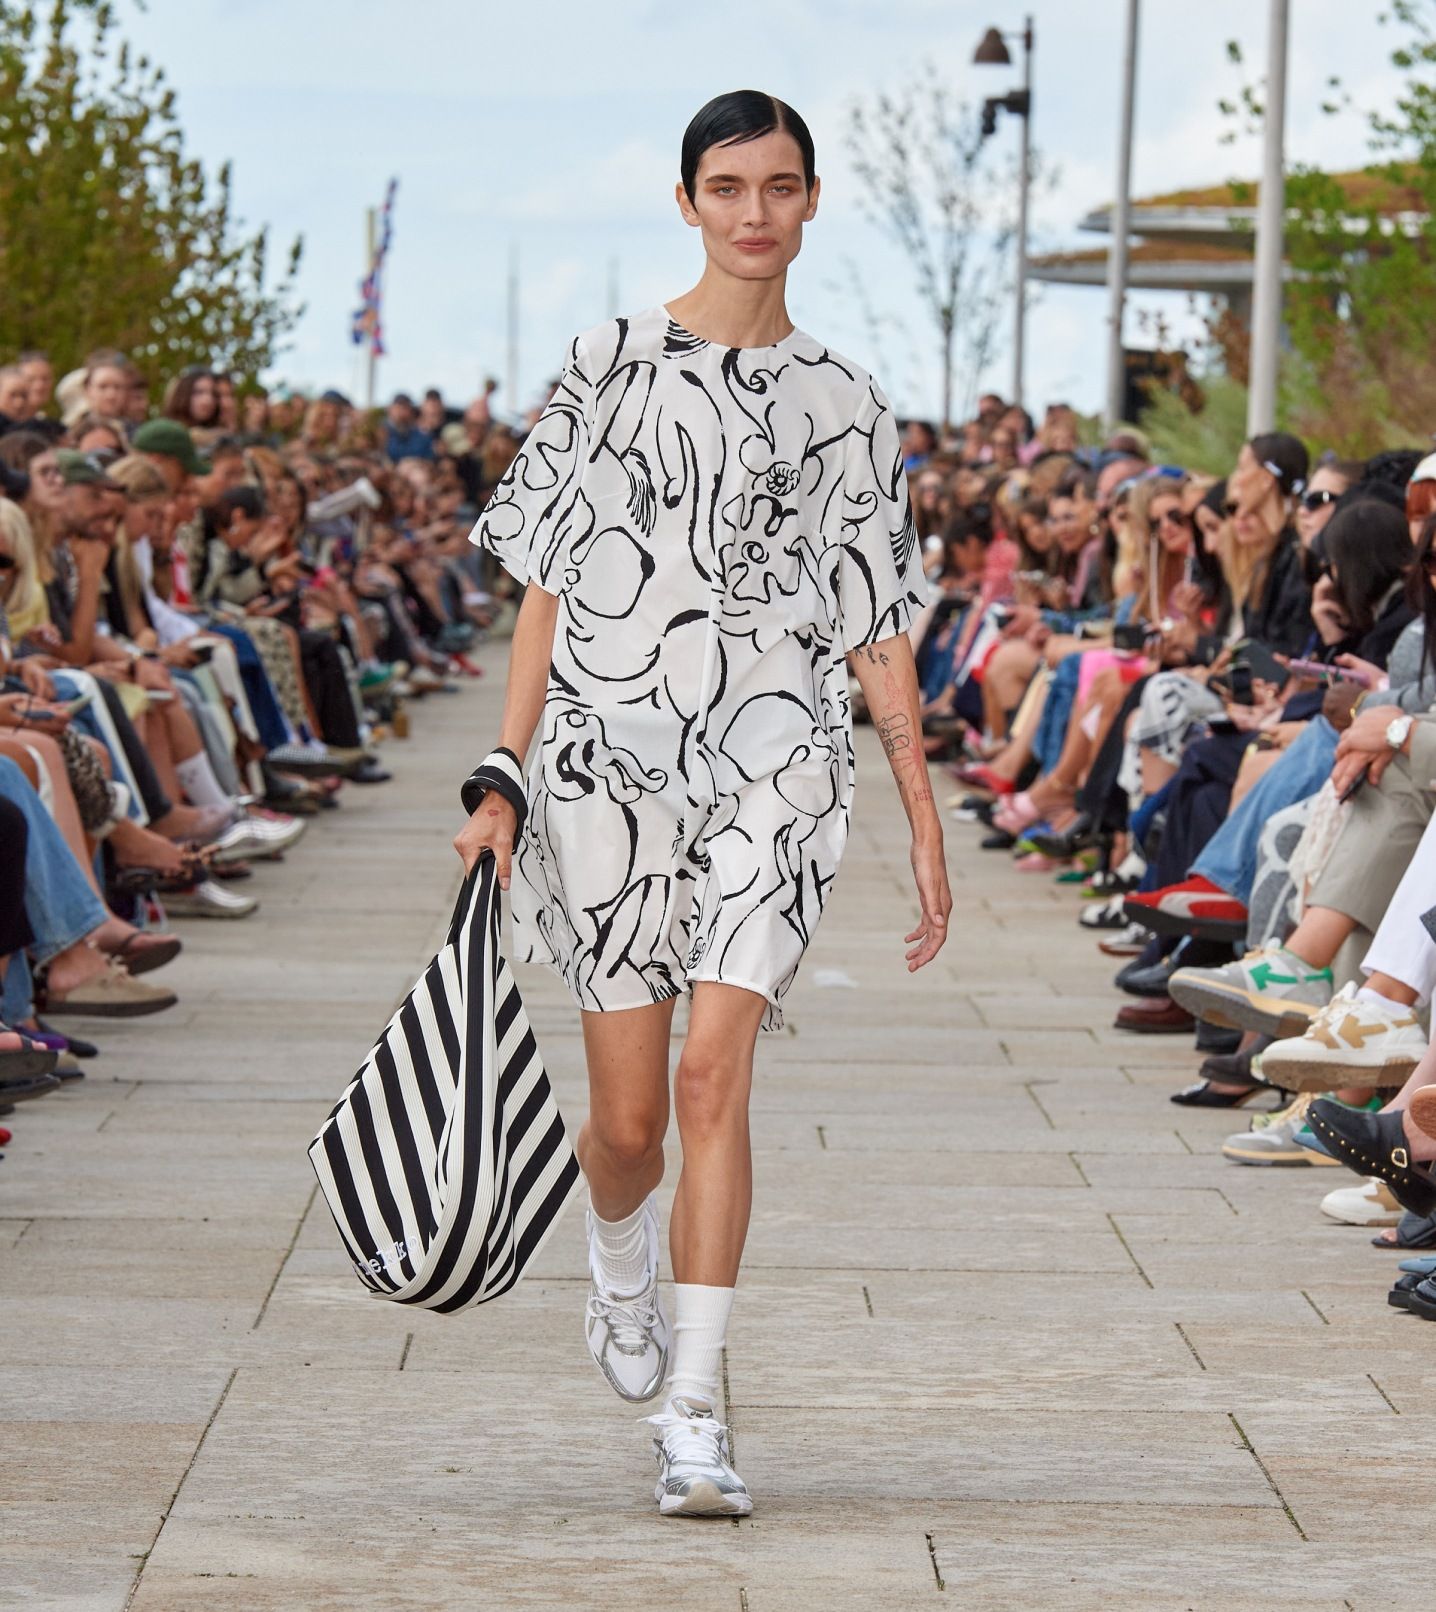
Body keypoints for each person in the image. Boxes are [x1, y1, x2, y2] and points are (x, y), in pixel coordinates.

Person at [454, 87, 950, 1520]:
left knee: (710, 1079)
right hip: (606, 770)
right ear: (687, 201)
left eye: (779, 186)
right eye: (728, 186)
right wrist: (502, 768)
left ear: (809, 202)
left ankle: (696, 1412)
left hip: (780, 770)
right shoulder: (606, 364)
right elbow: (544, 583)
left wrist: (918, 812)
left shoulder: (848, 402)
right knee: (626, 1128)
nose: (754, 212)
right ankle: (615, 1253)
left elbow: (875, 616)